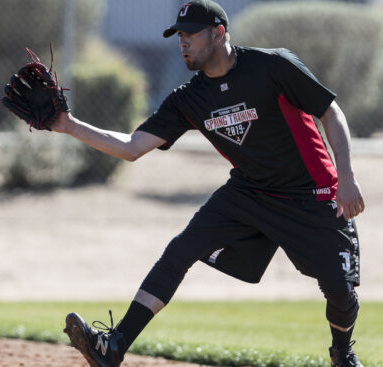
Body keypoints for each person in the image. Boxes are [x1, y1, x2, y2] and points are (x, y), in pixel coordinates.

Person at [58, 1, 366, 366]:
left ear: (219, 33)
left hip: (311, 192)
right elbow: (132, 146)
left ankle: (341, 354)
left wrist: (345, 177)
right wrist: (67, 125)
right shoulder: (190, 98)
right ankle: (114, 345)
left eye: (190, 34)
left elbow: (330, 111)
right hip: (249, 192)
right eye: (179, 36)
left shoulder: (272, 66)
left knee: (340, 290)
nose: (182, 42)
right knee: (180, 249)